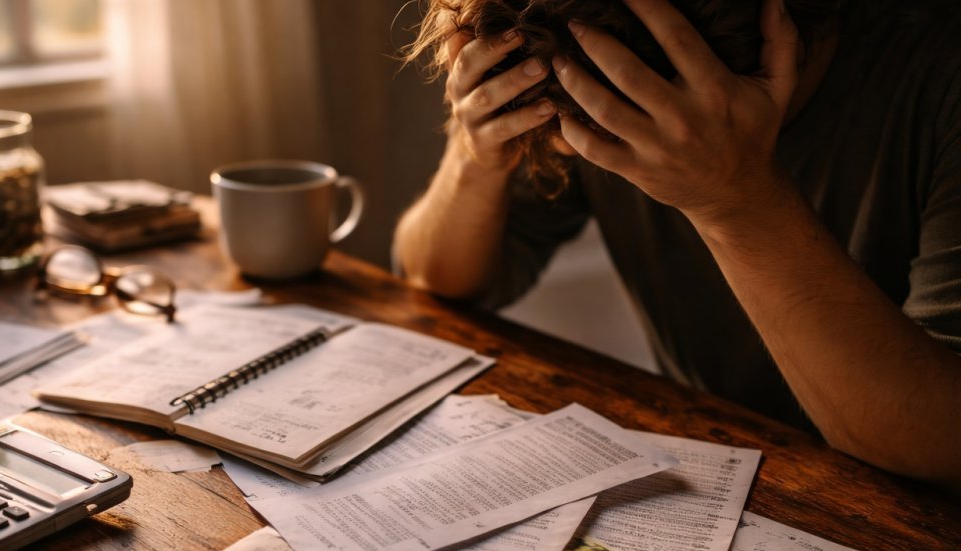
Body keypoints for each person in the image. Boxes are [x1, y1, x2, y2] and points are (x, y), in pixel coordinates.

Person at [393, 0, 961, 492]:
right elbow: (435, 276)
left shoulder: (937, 74)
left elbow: (939, 446)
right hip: (717, 473)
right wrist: (475, 155)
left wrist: (736, 200)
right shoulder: (579, 53)